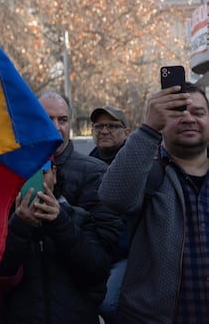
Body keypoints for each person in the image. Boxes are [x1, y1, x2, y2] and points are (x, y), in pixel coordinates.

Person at [99, 83, 209, 323]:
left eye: (198, 113)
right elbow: (112, 196)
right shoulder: (148, 172)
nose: (189, 118)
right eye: (177, 112)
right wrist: (148, 129)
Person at [0, 161, 112, 324]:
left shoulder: (79, 217)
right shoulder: (1, 223)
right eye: (27, 175)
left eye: (43, 174)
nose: (37, 184)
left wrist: (59, 222)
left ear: (54, 175)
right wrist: (20, 226)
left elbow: (97, 271)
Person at [37, 92, 120, 257]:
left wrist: (60, 215)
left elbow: (102, 249)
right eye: (47, 119)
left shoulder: (96, 172)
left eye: (63, 120)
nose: (56, 127)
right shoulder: (18, 169)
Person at [88, 105, 131, 324]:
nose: (104, 131)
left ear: (127, 132)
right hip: (92, 253)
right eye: (99, 126)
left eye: (112, 126)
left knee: (108, 305)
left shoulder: (137, 165)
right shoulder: (86, 165)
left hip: (125, 256)